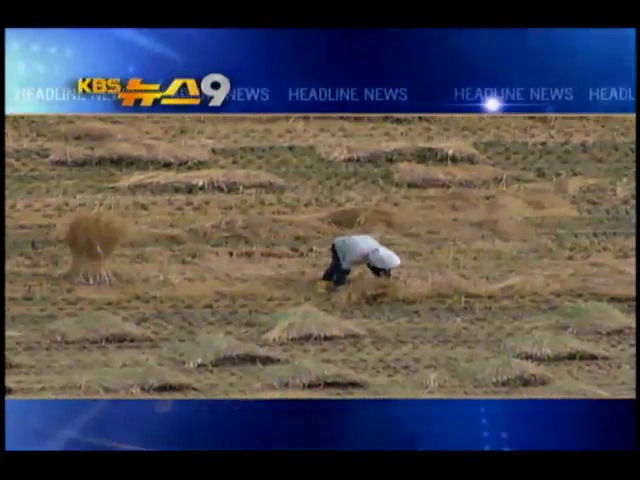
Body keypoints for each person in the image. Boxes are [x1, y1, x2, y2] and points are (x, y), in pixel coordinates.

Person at [320, 234, 401, 287]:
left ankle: (384, 285)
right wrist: (339, 285)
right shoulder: (354, 256)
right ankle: (323, 284)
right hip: (340, 246)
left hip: (360, 244)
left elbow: (384, 266)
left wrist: (387, 282)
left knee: (381, 272)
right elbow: (344, 270)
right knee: (336, 267)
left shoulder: (380, 251)